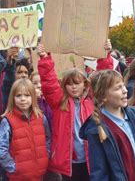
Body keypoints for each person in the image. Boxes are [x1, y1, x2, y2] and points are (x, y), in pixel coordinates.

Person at [36, 41, 112, 180]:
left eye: (77, 83)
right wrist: (45, 58)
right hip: (70, 162)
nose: (73, 87)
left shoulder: (92, 100)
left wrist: (105, 56)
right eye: (69, 84)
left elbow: (105, 80)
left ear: (85, 84)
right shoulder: (59, 102)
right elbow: (49, 82)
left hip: (92, 159)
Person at [0, 79, 51, 181]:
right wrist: (14, 168)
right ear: (13, 98)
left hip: (39, 174)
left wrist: (45, 157)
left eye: (27, 95)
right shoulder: (7, 121)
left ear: (33, 97)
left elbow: (47, 139)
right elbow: (1, 149)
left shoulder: (41, 117)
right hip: (18, 176)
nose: (23, 99)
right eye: (18, 95)